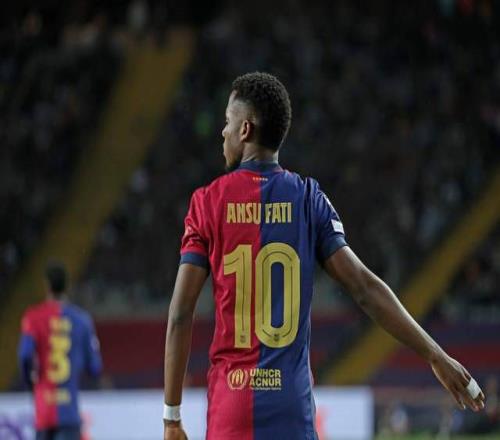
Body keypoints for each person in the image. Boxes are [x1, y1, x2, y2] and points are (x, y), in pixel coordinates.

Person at [163, 72, 485, 440]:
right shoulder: (308, 198)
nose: (222, 132)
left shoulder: (207, 202)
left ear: (245, 129)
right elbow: (364, 287)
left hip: (231, 409)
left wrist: (172, 418)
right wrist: (435, 355)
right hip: (290, 407)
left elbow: (180, 313)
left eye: (227, 121)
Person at [18, 262, 102, 440]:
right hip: (69, 413)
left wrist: (30, 383)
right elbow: (95, 367)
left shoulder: (33, 317)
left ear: (47, 285)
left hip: (43, 413)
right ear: (67, 286)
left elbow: (24, 355)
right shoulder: (82, 320)